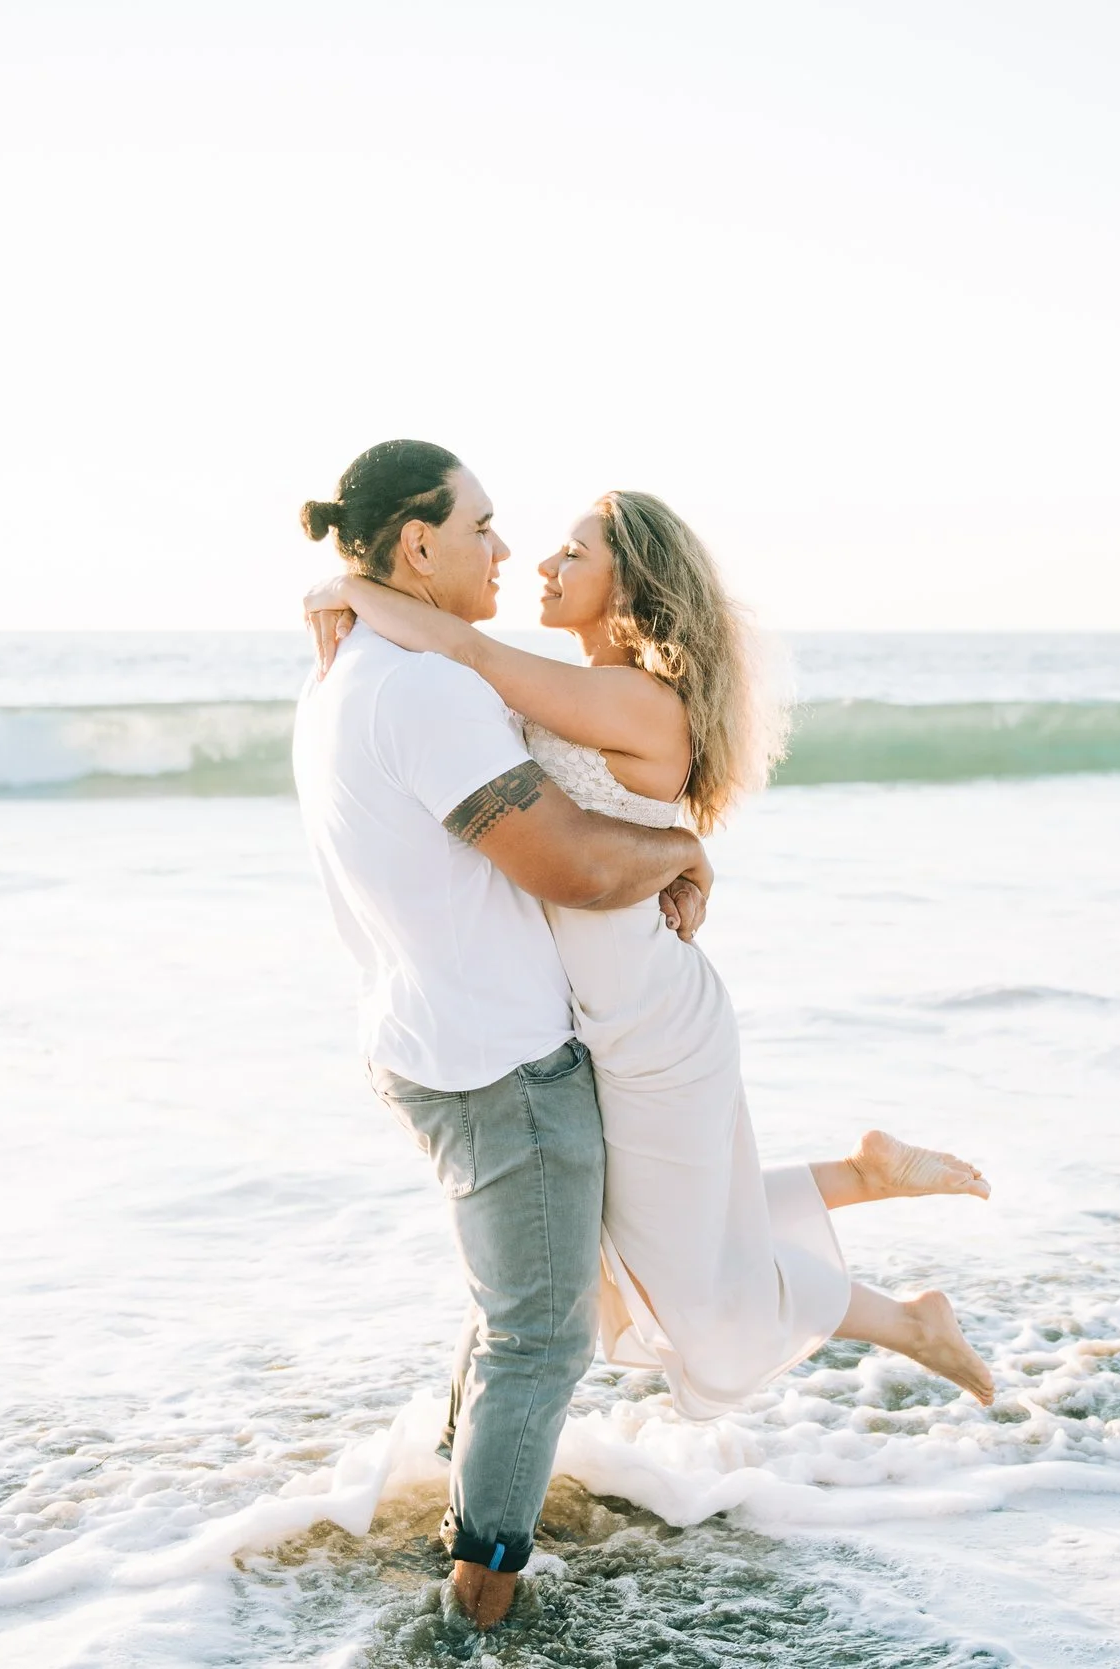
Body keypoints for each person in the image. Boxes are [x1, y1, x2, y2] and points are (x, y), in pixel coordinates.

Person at [302, 486, 994, 1453]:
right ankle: (863, 1176)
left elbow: (464, 652)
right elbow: (457, 679)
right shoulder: (581, 686)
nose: (542, 566)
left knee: (694, 1291)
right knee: (646, 1232)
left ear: (631, 588)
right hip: (609, 1011)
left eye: (573, 555)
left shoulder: (632, 696)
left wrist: (348, 585)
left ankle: (912, 1320)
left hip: (652, 1020)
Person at [291, 440, 711, 1631]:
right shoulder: (423, 689)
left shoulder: (345, 673)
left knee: (503, 1300)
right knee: (540, 1332)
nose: (504, 548)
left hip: (422, 1036)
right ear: (416, 544)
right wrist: (680, 851)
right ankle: (477, 1596)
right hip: (498, 1059)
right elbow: (571, 864)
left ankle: (452, 1502)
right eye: (482, 526)